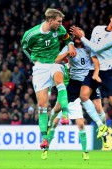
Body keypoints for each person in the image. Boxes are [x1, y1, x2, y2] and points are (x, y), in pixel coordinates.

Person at [70, 12, 112, 150]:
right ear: (111, 18)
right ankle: (102, 128)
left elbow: (97, 48)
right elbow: (91, 50)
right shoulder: (97, 29)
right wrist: (72, 42)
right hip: (93, 68)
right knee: (83, 97)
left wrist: (81, 36)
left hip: (107, 71)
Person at [41, 29, 106, 160]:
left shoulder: (89, 46)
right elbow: (56, 60)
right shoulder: (68, 47)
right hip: (74, 84)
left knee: (95, 110)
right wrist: (67, 52)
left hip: (87, 81)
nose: (76, 37)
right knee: (56, 114)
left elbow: (98, 58)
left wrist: (97, 72)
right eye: (74, 36)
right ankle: (46, 147)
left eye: (79, 35)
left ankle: (100, 135)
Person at [21, 8, 77, 149]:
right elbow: (25, 47)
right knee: (42, 105)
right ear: (50, 20)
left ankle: (65, 114)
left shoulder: (59, 29)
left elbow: (67, 38)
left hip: (54, 62)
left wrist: (70, 44)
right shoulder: (31, 34)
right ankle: (45, 138)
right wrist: (34, 60)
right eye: (58, 21)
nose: (61, 24)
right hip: (40, 68)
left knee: (59, 79)